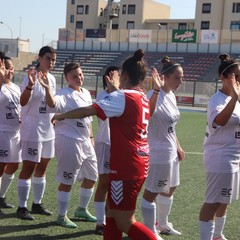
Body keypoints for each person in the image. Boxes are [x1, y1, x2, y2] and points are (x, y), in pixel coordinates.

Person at [52, 49, 161, 240]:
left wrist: (62, 115)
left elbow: (89, 110)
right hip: (137, 162)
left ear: (124, 75)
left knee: (125, 220)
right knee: (111, 214)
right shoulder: (141, 96)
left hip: (127, 165)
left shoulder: (124, 96)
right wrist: (115, 90)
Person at [39, 62, 98, 228]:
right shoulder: (64, 94)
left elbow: (89, 118)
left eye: (80, 74)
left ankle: (81, 209)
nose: (79, 78)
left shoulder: (86, 92)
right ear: (67, 79)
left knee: (92, 176)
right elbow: (52, 104)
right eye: (74, 76)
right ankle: (62, 215)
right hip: (69, 140)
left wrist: (91, 136)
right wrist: (47, 90)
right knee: (67, 180)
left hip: (86, 141)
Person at [141, 56, 184, 238]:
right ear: (164, 77)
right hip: (158, 152)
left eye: (181, 78)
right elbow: (148, 115)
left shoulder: (172, 96)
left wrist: (178, 146)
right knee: (152, 193)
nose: (180, 81)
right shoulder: (154, 95)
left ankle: (163, 224)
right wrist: (157, 91)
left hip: (171, 151)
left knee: (171, 187)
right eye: (177, 77)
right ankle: (150, 231)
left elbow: (171, 126)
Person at [199, 54, 240, 240]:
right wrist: (234, 98)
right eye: (236, 76)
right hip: (220, 157)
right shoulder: (218, 99)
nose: (239, 80)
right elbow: (220, 121)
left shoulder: (236, 99)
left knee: (225, 200)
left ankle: (217, 235)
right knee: (213, 202)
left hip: (234, 157)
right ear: (224, 77)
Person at [16, 46, 57, 220]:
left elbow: (52, 104)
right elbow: (23, 102)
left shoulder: (53, 79)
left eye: (53, 59)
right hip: (33, 130)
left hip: (48, 130)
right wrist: (31, 85)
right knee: (28, 168)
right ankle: (21, 207)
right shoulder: (30, 76)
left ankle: (37, 204)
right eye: (48, 58)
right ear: (39, 58)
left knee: (42, 168)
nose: (51, 62)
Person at [93, 66, 120, 235]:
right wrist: (113, 89)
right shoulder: (103, 96)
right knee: (104, 183)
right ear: (109, 77)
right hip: (105, 144)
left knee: (116, 185)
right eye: (118, 74)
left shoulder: (122, 94)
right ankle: (100, 222)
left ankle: (112, 219)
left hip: (120, 145)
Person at [0, 52, 21, 209]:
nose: (9, 71)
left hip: (16, 131)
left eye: (11, 68)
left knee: (14, 165)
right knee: (1, 166)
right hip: (2, 131)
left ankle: (1, 197)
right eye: (6, 68)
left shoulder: (15, 88)